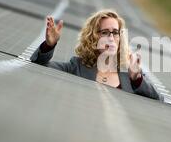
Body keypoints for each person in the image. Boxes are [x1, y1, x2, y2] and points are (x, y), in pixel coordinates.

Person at [31, 9, 161, 101]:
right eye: (105, 32)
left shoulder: (131, 73)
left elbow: (158, 99)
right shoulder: (76, 66)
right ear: (93, 37)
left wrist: (136, 79)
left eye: (115, 32)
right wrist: (49, 45)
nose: (111, 37)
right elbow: (38, 65)